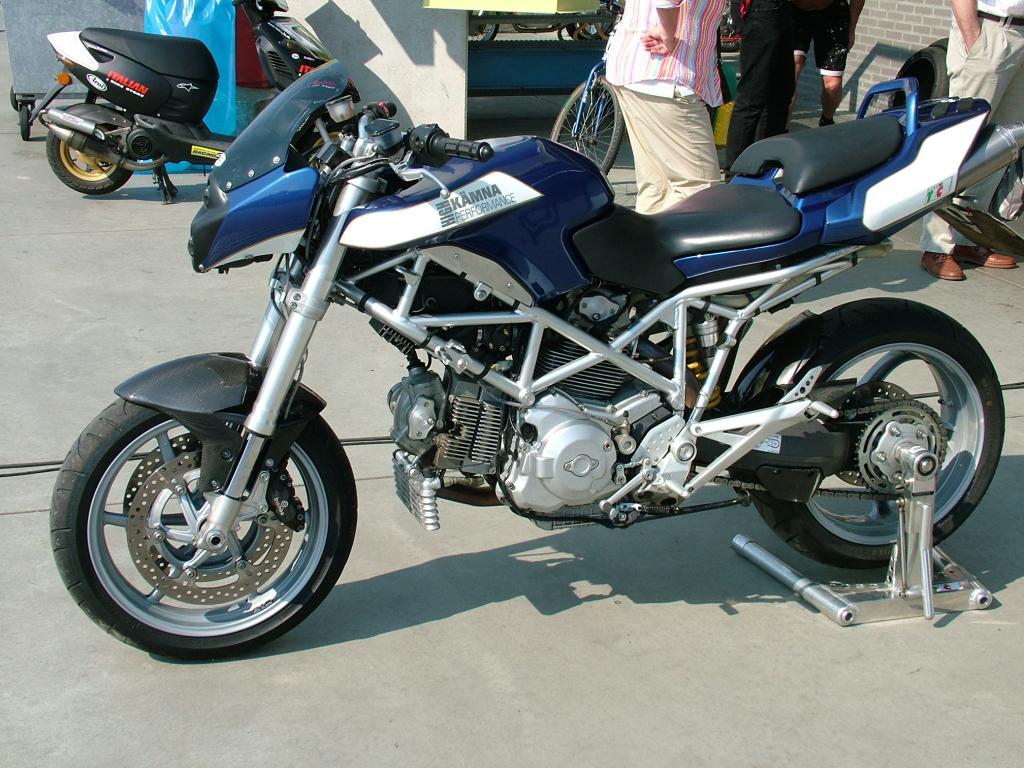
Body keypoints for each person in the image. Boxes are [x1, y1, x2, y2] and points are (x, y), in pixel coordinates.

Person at [921, 0, 1024, 280]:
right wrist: (974, 39)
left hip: (1019, 36)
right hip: (990, 30)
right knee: (960, 143)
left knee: (999, 148)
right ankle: (936, 245)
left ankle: (968, 238)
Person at [604, 0, 727, 214]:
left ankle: (647, 237)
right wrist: (666, 30)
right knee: (699, 191)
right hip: (666, 73)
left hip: (641, 68)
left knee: (658, 187)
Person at [724, 0, 795, 169]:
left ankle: (766, 162)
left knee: (780, 95)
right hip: (761, 12)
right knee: (751, 96)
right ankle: (736, 168)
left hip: (781, 12)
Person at [791, 0, 864, 126]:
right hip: (795, 12)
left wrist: (851, 29)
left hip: (833, 14)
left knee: (833, 85)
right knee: (790, 74)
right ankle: (782, 129)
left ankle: (826, 120)